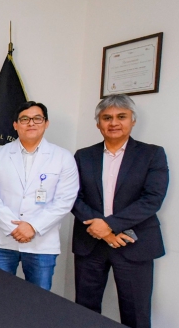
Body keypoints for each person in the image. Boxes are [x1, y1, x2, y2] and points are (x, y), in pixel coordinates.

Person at [72, 94, 168, 328]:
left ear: (132, 121)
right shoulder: (83, 156)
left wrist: (110, 225)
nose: (113, 123)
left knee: (136, 312)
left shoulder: (152, 154)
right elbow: (73, 196)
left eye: (121, 117)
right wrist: (101, 229)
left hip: (135, 243)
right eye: (107, 118)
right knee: (85, 310)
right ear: (98, 124)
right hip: (90, 242)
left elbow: (152, 199)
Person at [0, 101, 79, 290]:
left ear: (46, 123)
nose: (31, 123)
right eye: (25, 119)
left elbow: (65, 200)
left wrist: (33, 227)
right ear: (15, 125)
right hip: (2, 240)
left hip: (41, 242)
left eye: (37, 118)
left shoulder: (63, 157)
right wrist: (14, 228)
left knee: (39, 302)